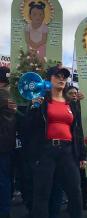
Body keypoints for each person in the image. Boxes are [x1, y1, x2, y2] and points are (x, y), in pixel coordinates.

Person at [25, 66, 86, 218]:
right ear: (48, 79)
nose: (62, 79)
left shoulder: (71, 103)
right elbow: (28, 128)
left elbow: (77, 130)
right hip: (46, 151)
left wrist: (82, 155)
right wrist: (33, 107)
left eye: (64, 77)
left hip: (67, 151)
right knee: (42, 194)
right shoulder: (41, 101)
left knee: (75, 192)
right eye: (57, 76)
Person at [64, 85, 87, 211]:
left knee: (85, 179)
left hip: (81, 145)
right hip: (70, 148)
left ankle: (84, 201)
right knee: (71, 181)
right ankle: (72, 203)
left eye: (75, 93)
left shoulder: (81, 105)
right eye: (71, 93)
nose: (74, 95)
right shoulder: (66, 107)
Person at [0, 67, 17, 218]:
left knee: (2, 179)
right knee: (6, 178)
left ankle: (3, 211)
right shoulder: (12, 95)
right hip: (8, 143)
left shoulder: (1, 94)